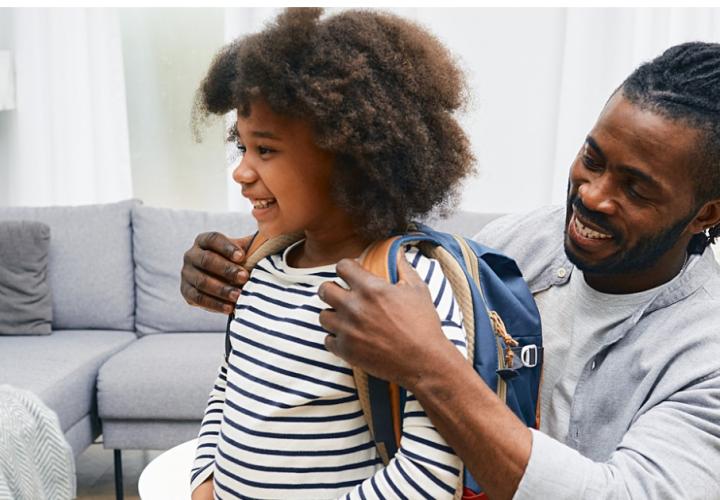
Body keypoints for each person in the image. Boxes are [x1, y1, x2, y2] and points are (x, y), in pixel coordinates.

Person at [183, 40, 720, 499]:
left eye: (637, 187)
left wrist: (430, 366)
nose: (591, 196)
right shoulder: (521, 243)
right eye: (593, 159)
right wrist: (265, 250)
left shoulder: (707, 355)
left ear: (706, 213)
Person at [187, 8, 478, 500]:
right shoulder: (258, 270)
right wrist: (205, 481)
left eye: (266, 150)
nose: (241, 172)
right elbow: (229, 388)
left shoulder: (405, 288)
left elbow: (432, 471)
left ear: (350, 157)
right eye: (242, 146)